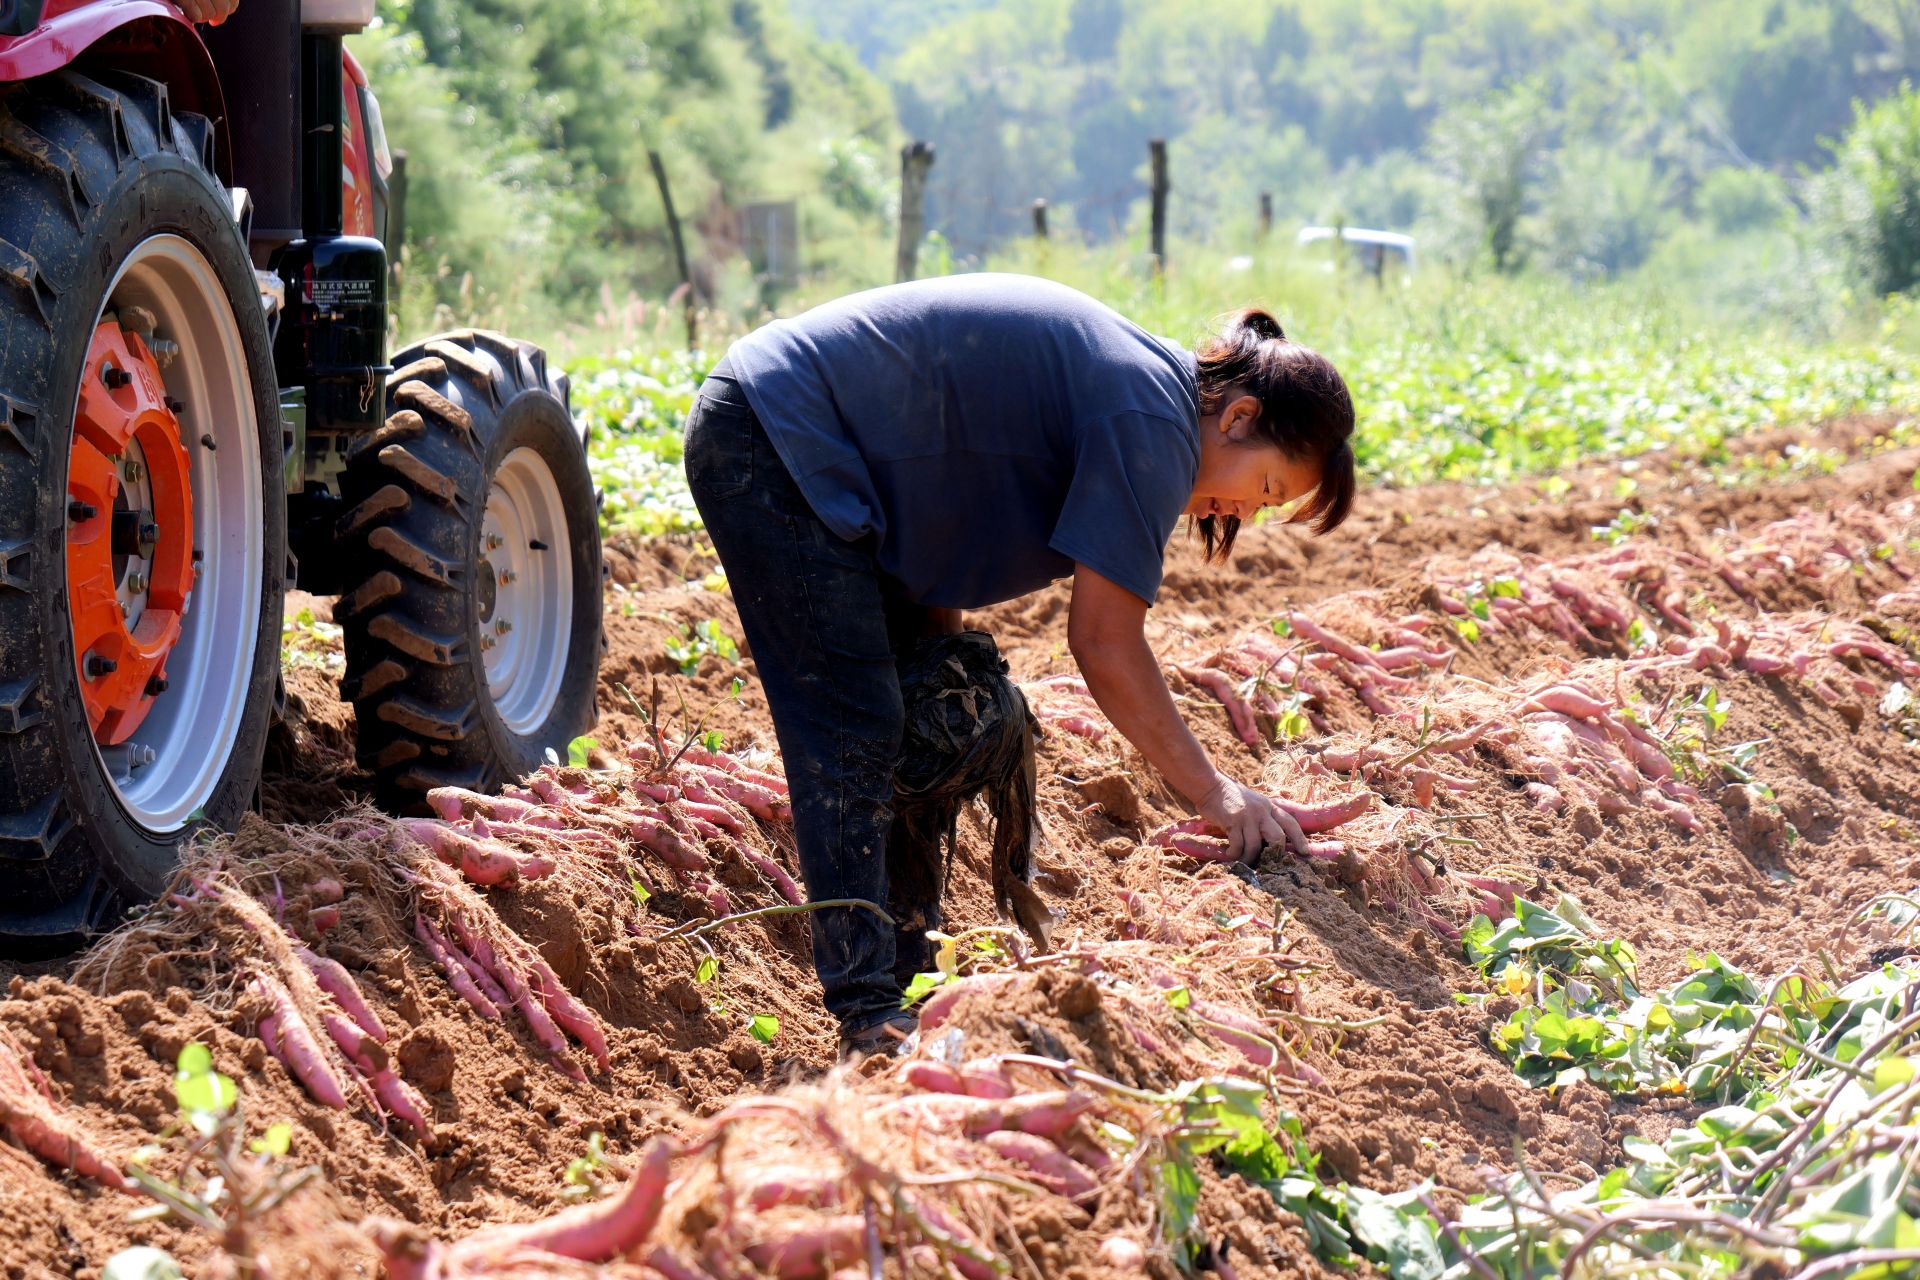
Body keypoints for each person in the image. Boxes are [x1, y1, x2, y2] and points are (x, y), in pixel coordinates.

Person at [683, 273, 1355, 1057]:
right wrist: (1215, 792)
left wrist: (934, 654)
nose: (1242, 513)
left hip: (804, 440)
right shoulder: (1152, 421)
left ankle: (908, 974)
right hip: (777, 433)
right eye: (1264, 488)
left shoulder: (1149, 399)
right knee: (853, 723)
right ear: (1239, 417)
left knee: (928, 706)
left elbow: (944, 500)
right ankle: (869, 1012)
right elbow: (1104, 644)